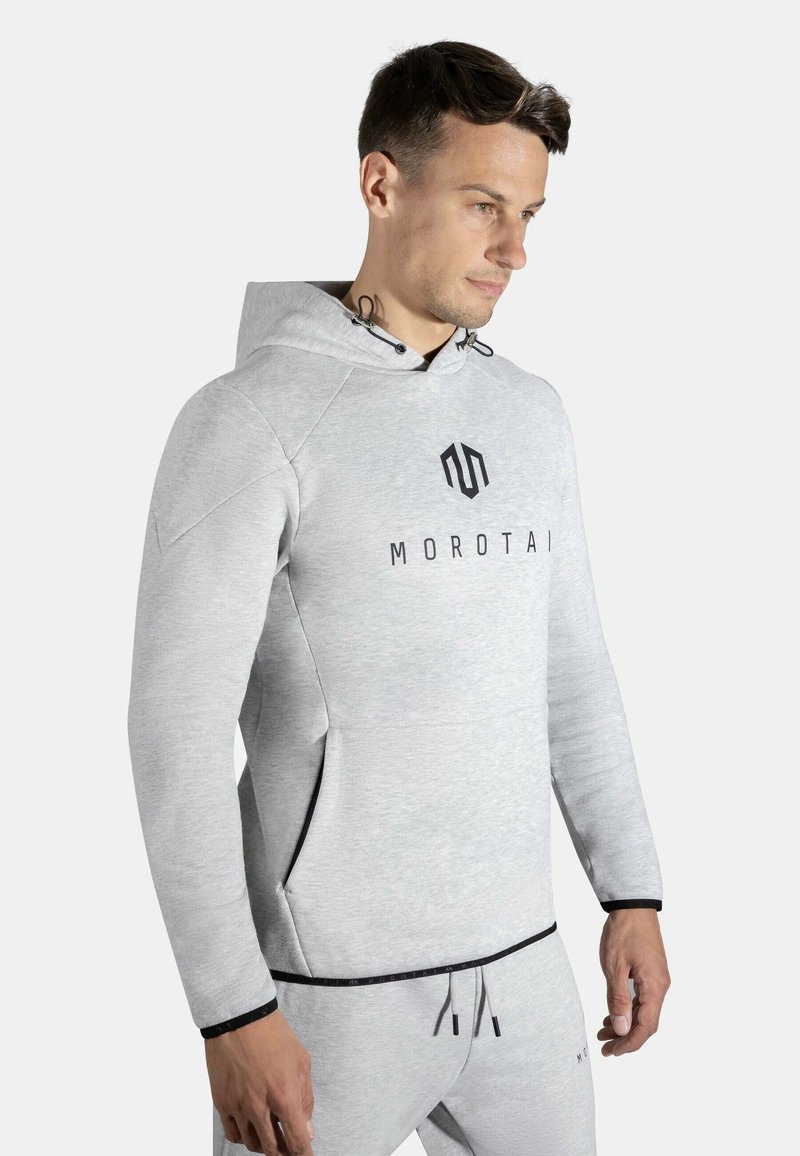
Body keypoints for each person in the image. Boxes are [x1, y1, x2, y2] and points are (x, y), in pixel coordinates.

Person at [127, 40, 670, 1156]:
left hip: (526, 970)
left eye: (529, 214)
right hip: (324, 998)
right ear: (381, 184)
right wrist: (229, 1010)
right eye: (483, 206)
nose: (515, 249)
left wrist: (631, 891)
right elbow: (174, 734)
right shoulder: (247, 422)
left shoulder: (530, 413)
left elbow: (571, 673)